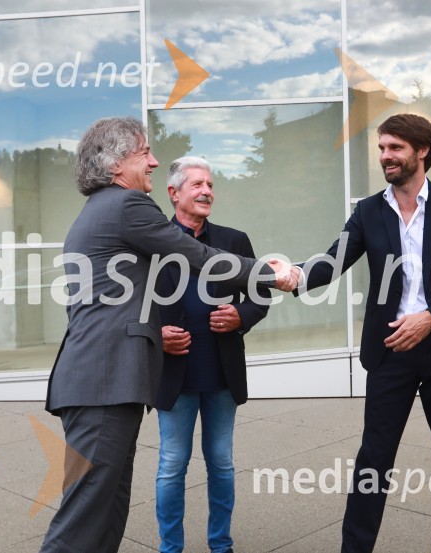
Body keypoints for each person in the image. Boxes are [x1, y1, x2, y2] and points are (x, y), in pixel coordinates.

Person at [39, 117, 292, 553]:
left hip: (106, 381)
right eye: (144, 153)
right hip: (103, 382)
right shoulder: (125, 206)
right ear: (117, 163)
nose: (154, 161)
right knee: (82, 519)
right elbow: (196, 254)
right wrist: (270, 273)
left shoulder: (101, 210)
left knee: (107, 512)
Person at [297, 114, 431, 553]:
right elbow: (333, 260)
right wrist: (292, 275)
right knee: (373, 460)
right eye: (382, 148)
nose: (385, 156)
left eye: (394, 148)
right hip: (391, 352)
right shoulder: (368, 211)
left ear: (421, 151)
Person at [153, 157, 270, 553]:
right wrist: (155, 334)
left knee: (221, 462)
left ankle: (221, 544)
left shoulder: (234, 240)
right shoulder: (151, 241)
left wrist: (242, 316)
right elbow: (128, 302)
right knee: (172, 465)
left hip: (222, 371)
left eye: (210, 184)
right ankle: (172, 548)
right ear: (174, 193)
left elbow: (261, 294)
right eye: (197, 184)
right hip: (174, 372)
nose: (207, 191)